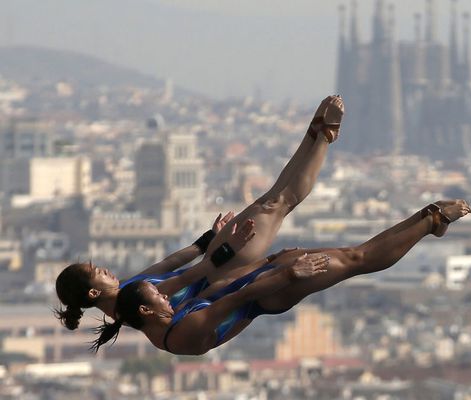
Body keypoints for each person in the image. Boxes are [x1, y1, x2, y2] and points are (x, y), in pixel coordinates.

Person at [54, 95, 345, 330]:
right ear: (93, 293)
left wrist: (209, 238)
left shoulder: (130, 290)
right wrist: (226, 250)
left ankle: (315, 134)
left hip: (216, 262)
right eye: (96, 272)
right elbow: (190, 278)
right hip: (223, 271)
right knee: (277, 204)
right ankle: (323, 138)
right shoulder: (136, 309)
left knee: (273, 201)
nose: (103, 269)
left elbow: (170, 262)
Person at [92, 200, 471, 354]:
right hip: (269, 292)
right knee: (357, 259)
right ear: (146, 308)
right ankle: (430, 219)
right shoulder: (179, 331)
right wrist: (287, 272)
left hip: (262, 278)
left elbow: (220, 284)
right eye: (158, 296)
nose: (165, 295)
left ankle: (428, 222)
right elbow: (235, 299)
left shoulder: (163, 322)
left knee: (353, 254)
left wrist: (263, 261)